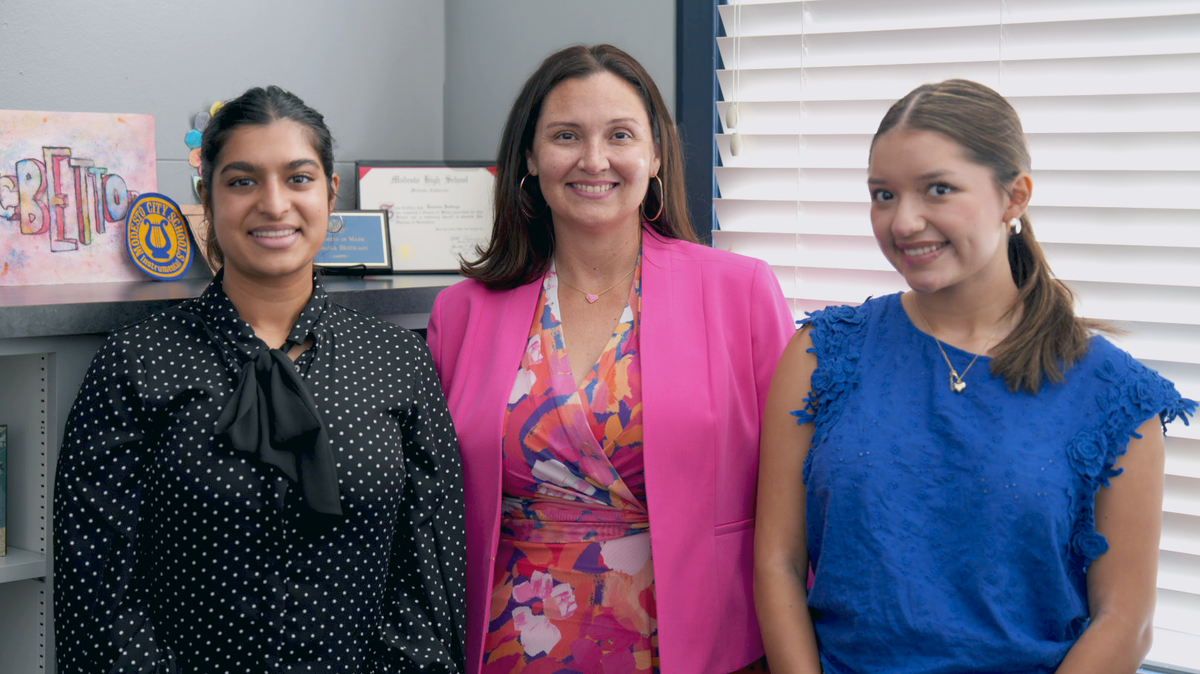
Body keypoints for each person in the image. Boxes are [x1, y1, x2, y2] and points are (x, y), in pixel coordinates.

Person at [754, 78, 1196, 673]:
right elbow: (778, 561)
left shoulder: (1118, 397)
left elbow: (1125, 620)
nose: (903, 221)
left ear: (1015, 197)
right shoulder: (821, 352)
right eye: (883, 195)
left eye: (938, 189)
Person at [53, 85, 466, 673]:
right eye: (242, 181)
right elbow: (97, 584)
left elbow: (430, 565)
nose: (274, 205)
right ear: (207, 196)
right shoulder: (136, 361)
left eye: (298, 178)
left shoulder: (395, 359)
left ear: (331, 192)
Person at [426, 45, 794, 673]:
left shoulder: (741, 292)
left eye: (619, 135)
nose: (593, 160)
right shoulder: (463, 312)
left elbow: (794, 496)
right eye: (565, 136)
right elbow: (430, 512)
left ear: (655, 157)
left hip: (695, 642)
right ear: (530, 160)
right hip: (509, 642)